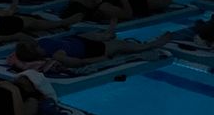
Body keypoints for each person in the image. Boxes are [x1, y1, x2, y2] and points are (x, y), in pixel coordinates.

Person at [9, 25, 175, 72]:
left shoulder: (43, 44)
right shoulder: (56, 55)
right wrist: (98, 59)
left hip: (77, 40)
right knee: (122, 46)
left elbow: (26, 39)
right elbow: (79, 63)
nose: (35, 44)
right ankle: (151, 45)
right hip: (93, 50)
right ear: (35, 53)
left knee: (92, 34)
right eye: (34, 47)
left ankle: (106, 34)